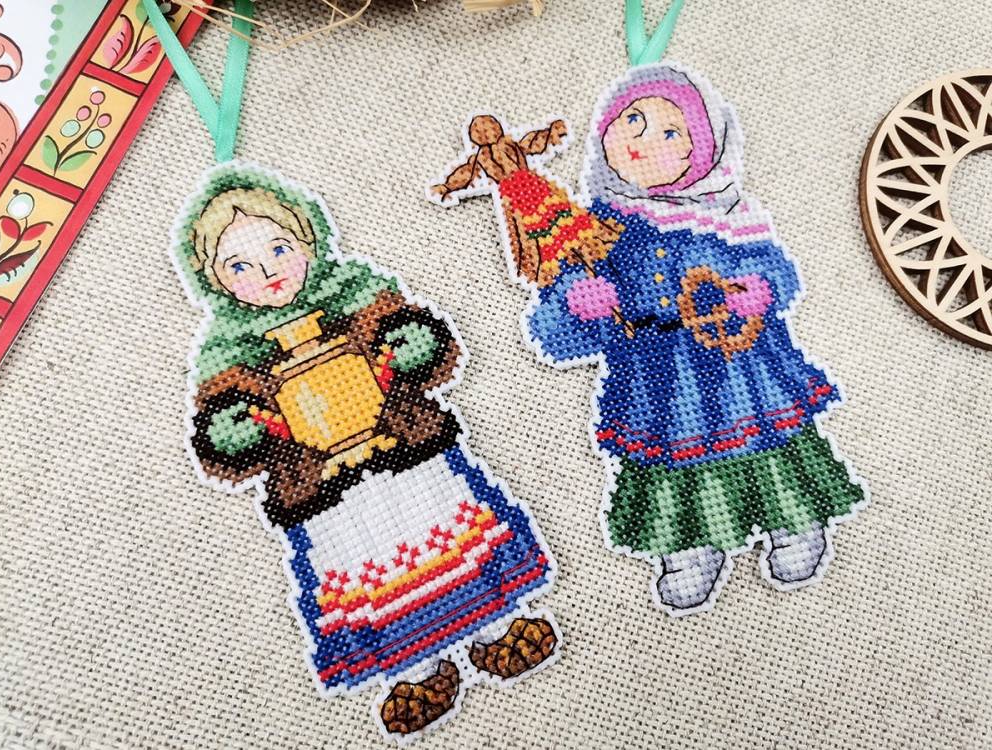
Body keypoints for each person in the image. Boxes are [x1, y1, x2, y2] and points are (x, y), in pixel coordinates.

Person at [433, 64, 865, 616]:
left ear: (704, 150)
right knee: (670, 469)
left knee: (768, 446)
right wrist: (578, 305)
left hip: (740, 370)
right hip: (654, 382)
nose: (643, 140)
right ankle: (689, 547)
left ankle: (794, 521)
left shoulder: (726, 215)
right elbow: (553, 333)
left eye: (670, 131)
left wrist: (756, 289)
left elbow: (775, 271)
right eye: (631, 121)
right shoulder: (592, 231)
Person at [175, 167, 557, 738]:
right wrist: (242, 428)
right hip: (323, 493)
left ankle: (494, 626)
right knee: (365, 567)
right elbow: (219, 433)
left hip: (409, 452)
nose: (268, 272)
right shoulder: (226, 352)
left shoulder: (354, 292)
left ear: (307, 240)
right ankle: (414, 667)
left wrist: (407, 345)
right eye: (240, 267)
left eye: (278, 249)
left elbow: (421, 339)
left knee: (447, 530)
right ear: (214, 281)